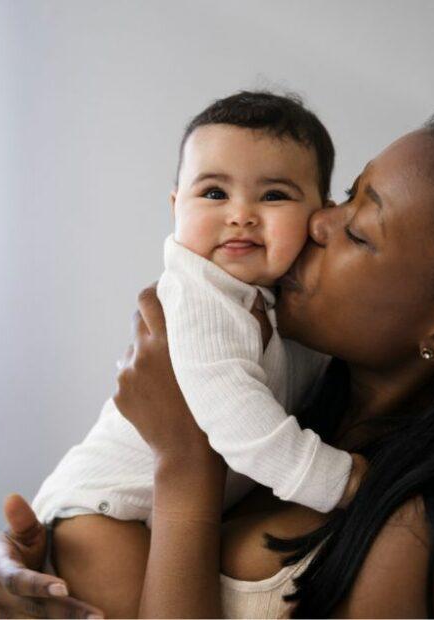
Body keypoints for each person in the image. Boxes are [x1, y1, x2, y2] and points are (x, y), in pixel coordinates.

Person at [0, 106, 434, 618]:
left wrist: (185, 467)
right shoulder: (294, 404)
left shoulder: (411, 534)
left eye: (358, 227)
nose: (316, 221)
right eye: (344, 191)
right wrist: (48, 558)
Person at [32, 91, 369, 534]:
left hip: (172, 511)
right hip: (103, 508)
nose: (240, 215)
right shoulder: (199, 296)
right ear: (176, 208)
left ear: (320, 214)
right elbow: (242, 425)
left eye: (273, 195)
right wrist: (342, 482)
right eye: (214, 192)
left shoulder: (285, 301)